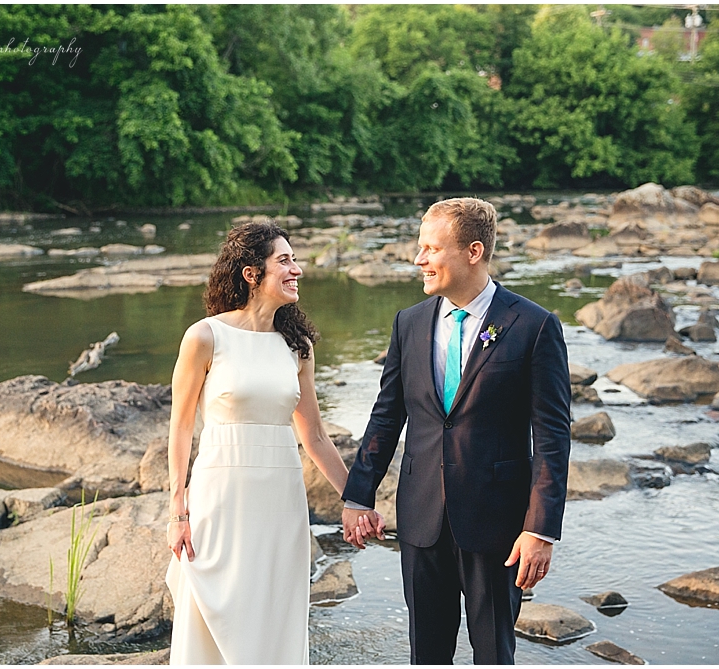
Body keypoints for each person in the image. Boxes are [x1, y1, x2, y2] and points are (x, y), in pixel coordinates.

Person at [341, 197, 571, 664]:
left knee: (492, 653)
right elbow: (387, 414)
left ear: (472, 251)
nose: (418, 259)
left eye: (430, 249)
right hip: (420, 517)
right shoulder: (409, 323)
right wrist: (357, 496)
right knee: (426, 652)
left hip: (497, 524)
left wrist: (540, 530)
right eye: (419, 248)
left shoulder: (533, 325)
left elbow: (552, 437)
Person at [164, 221, 358, 665]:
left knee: (274, 616)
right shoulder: (204, 336)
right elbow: (179, 427)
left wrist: (357, 497)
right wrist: (178, 510)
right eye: (284, 261)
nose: (298, 270)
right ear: (251, 273)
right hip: (220, 497)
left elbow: (314, 435)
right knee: (212, 613)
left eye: (295, 260)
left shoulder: (298, 347)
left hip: (281, 501)